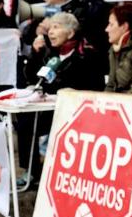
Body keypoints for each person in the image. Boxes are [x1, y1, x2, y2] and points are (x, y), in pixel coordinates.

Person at [18, 12, 105, 185]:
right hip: (50, 107)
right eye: (49, 27)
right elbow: (34, 78)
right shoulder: (51, 54)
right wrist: (36, 53)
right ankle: (32, 169)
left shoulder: (86, 53)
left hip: (77, 111)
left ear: (71, 33)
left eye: (56, 27)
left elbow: (95, 86)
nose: (50, 32)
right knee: (25, 118)